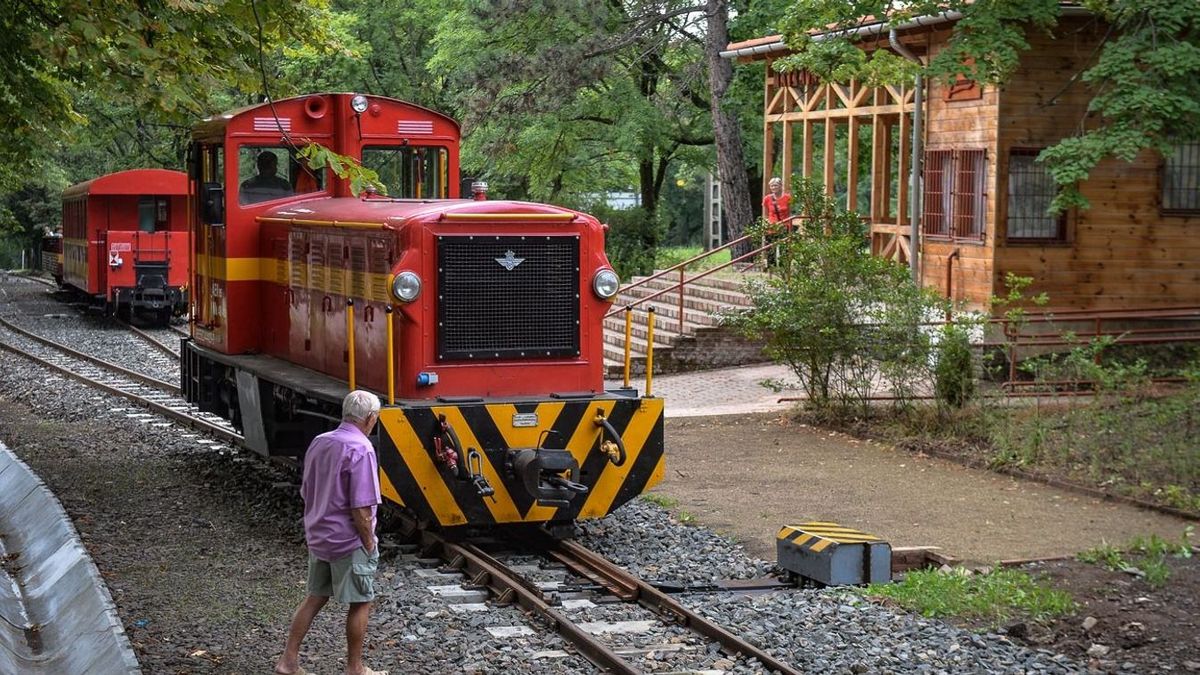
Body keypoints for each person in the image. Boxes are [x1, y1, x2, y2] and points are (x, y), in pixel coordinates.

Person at [274, 390, 388, 675]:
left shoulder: (320, 442)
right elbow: (361, 507)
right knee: (362, 601)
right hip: (348, 541)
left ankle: (288, 660)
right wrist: (369, 542)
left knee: (315, 596)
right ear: (371, 419)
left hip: (319, 534)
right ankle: (355, 668)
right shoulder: (361, 448)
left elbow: (306, 489)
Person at [761, 177, 792, 267]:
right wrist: (766, 224)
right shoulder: (767, 199)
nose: (773, 188)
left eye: (775, 185)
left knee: (784, 250)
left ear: (781, 186)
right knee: (771, 250)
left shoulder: (788, 197)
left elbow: (789, 212)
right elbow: (765, 215)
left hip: (784, 227)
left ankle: (784, 269)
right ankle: (771, 269)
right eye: (771, 186)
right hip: (771, 228)